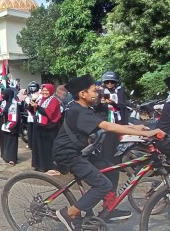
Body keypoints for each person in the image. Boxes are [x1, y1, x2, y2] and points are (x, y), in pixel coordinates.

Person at [53, 74, 165, 229]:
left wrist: (136, 127)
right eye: (93, 90)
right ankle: (69, 213)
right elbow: (108, 126)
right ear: (82, 94)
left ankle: (108, 209)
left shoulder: (84, 109)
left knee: (111, 170)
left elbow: (105, 124)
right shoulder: (77, 111)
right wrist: (145, 133)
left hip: (78, 152)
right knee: (102, 185)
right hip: (67, 155)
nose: (97, 93)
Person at [94, 71, 128, 165]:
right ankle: (104, 163)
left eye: (112, 82)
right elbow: (95, 108)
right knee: (103, 144)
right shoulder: (99, 91)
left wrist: (113, 103)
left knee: (114, 144)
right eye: (107, 82)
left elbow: (122, 106)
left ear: (116, 82)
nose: (109, 84)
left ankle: (113, 164)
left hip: (117, 122)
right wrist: (100, 102)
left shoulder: (120, 91)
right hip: (104, 122)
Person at [29, 84, 62, 175]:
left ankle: (50, 166)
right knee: (39, 147)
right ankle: (40, 165)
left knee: (48, 148)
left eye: (47, 90)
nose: (45, 92)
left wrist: (38, 107)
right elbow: (35, 111)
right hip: (39, 127)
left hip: (49, 128)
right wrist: (32, 105)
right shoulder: (40, 100)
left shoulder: (54, 100)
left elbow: (50, 113)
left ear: (51, 91)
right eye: (43, 90)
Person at [0, 88, 20, 166]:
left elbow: (16, 116)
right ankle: (5, 156)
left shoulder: (14, 104)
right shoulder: (3, 103)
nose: (2, 96)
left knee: (11, 142)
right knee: (5, 141)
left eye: (4, 94)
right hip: (4, 124)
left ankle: (12, 158)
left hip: (12, 125)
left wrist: (11, 126)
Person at [25, 81, 40, 149]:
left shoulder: (40, 96)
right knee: (30, 132)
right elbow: (27, 106)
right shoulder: (28, 97)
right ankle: (31, 145)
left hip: (38, 117)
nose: (33, 89)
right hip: (31, 117)